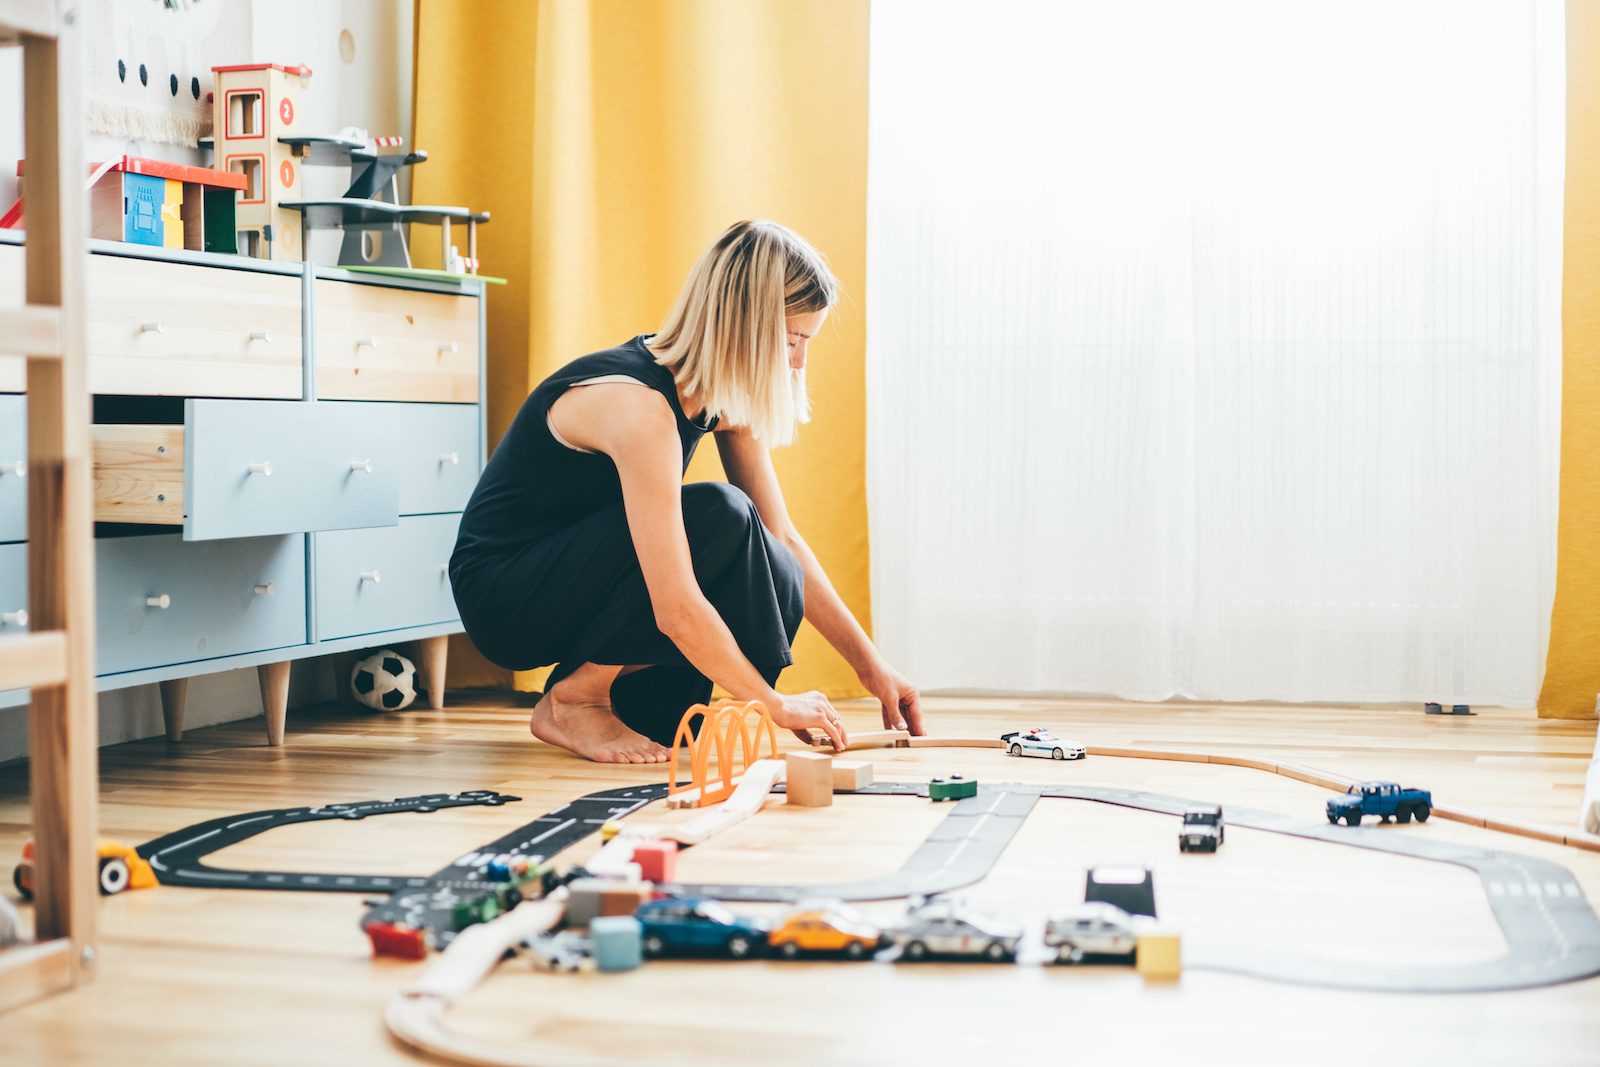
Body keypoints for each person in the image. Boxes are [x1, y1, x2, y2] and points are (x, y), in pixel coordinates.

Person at [449, 220, 924, 764]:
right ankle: (577, 698)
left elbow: (784, 540)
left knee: (776, 566)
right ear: (742, 326)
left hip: (594, 593)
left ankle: (600, 697)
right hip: (508, 595)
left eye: (805, 343)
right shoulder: (637, 405)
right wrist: (774, 704)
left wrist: (872, 667)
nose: (797, 362)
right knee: (721, 514)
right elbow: (674, 604)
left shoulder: (722, 396)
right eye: (791, 341)